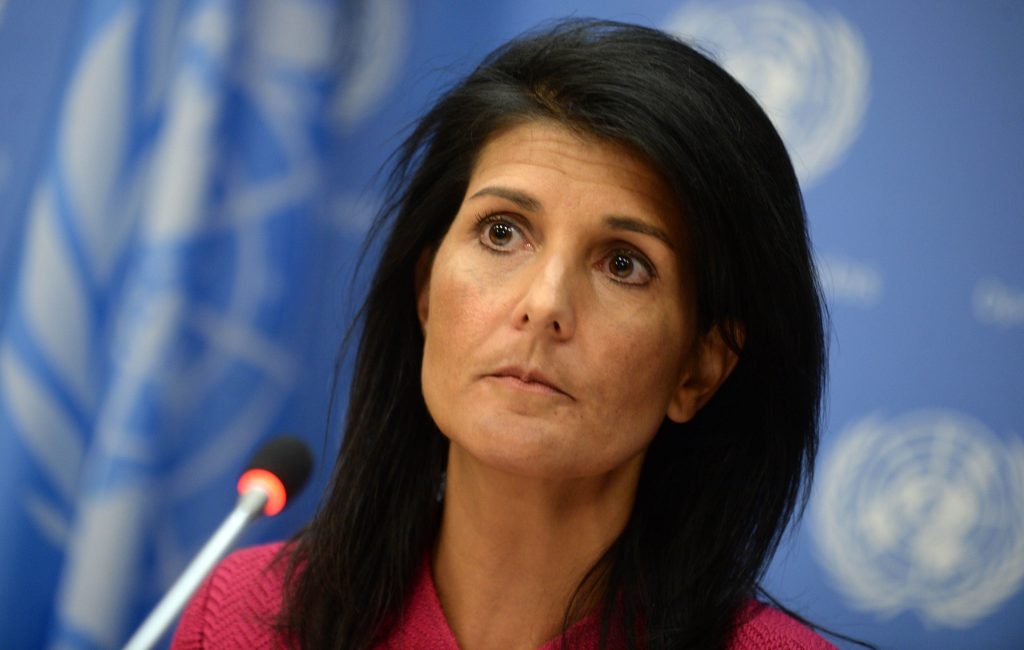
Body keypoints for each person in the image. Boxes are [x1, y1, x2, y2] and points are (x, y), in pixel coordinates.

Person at [172, 18, 833, 650]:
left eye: (623, 265)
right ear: (426, 291)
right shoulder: (241, 617)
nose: (543, 305)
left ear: (698, 370)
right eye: (502, 232)